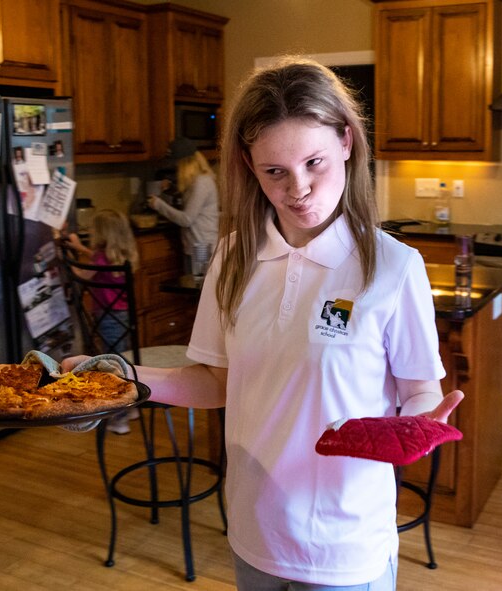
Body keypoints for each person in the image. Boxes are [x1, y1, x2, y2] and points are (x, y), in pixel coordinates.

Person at [64, 57, 463, 589]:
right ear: (249, 166)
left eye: (315, 162)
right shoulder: (233, 257)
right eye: (275, 171)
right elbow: (215, 383)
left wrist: (414, 425)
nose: (298, 188)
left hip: (344, 545)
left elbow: (419, 391)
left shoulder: (393, 266)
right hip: (254, 530)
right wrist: (115, 377)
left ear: (347, 142)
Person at [64, 210, 140, 435]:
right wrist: (80, 248)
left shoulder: (100, 257)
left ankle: (120, 419)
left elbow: (82, 274)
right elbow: (98, 260)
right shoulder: (122, 254)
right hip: (124, 316)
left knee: (111, 368)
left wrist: (64, 261)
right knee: (124, 361)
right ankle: (132, 406)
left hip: (107, 318)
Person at [146, 137, 219, 273]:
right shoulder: (196, 181)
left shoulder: (202, 183)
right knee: (193, 283)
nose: (176, 168)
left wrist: (158, 204)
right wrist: (172, 188)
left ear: (186, 163)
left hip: (201, 246)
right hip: (194, 244)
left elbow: (186, 219)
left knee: (199, 284)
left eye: (177, 164)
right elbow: (192, 202)